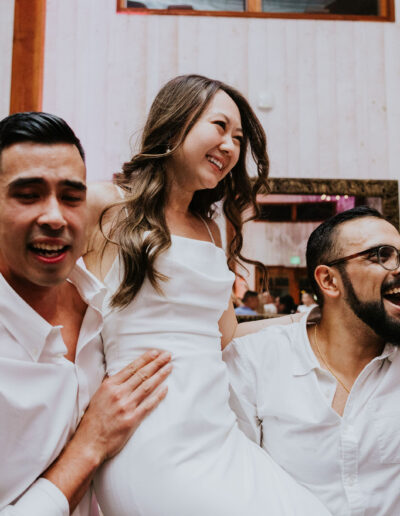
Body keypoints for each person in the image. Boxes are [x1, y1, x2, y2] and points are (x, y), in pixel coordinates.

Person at [85, 74, 329, 515]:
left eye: (238, 138)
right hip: (146, 430)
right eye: (219, 127)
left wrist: (302, 320)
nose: (231, 147)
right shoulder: (107, 205)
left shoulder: (213, 230)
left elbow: (224, 333)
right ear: (176, 122)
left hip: (215, 427)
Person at [0, 112, 172, 515]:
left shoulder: (105, 303)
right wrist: (90, 444)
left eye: (71, 196)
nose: (55, 217)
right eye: (28, 194)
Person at [223, 206, 400, 516]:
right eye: (381, 255)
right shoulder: (256, 362)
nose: (397, 267)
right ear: (329, 280)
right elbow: (235, 483)